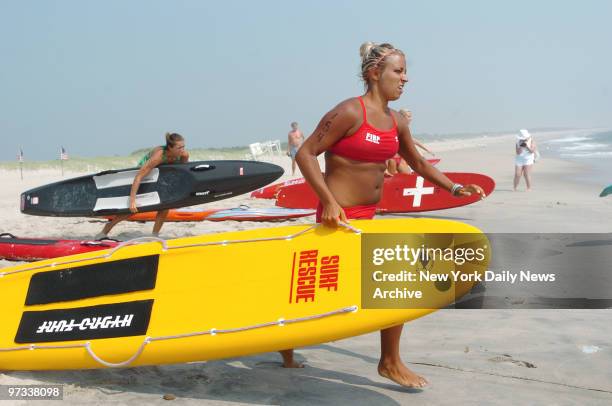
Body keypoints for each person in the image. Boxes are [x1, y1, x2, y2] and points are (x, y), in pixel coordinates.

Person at [294, 42, 486, 388]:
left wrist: (455, 189)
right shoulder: (350, 112)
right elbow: (306, 154)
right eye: (398, 71)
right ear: (374, 74)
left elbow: (418, 162)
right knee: (334, 287)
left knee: (388, 283)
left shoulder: (396, 121)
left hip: (368, 214)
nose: (405, 79)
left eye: (404, 72)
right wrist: (330, 202)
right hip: (338, 216)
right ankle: (286, 341)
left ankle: (388, 360)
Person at [98, 133, 189, 237]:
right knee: (135, 208)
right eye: (179, 147)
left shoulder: (184, 155)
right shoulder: (158, 156)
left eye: (183, 147)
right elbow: (139, 176)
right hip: (146, 175)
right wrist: (132, 200)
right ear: (170, 147)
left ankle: (154, 235)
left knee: (165, 205)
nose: (182, 150)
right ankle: (108, 226)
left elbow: (181, 173)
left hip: (162, 175)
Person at [386, 109, 435, 175]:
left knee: (407, 176)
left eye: (410, 116)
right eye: (409, 116)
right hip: (392, 159)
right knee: (393, 177)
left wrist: (427, 150)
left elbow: (413, 141)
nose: (411, 119)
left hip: (400, 159)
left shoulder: (404, 127)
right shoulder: (395, 127)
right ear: (402, 117)